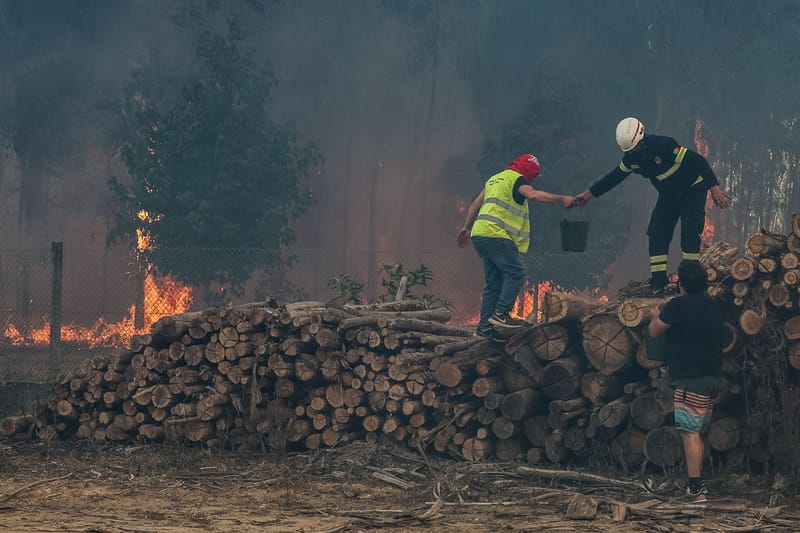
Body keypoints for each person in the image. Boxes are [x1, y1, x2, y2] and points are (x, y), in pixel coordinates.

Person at [571, 117, 731, 293]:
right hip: (669, 195)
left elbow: (698, 161)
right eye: (630, 151)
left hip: (692, 190)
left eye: (636, 148)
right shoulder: (631, 159)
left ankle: (689, 282)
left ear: (642, 139)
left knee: (689, 235)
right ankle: (658, 284)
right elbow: (614, 177)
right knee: (657, 234)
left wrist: (714, 188)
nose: (634, 153)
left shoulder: (664, 145)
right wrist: (588, 194)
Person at [456, 154, 574, 340]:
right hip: (497, 235)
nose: (532, 180)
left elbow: (475, 204)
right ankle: (501, 314)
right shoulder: (517, 179)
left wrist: (466, 228)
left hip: (480, 234)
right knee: (517, 273)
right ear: (528, 171)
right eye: (533, 176)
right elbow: (533, 195)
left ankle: (484, 329)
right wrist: (562, 199)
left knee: (493, 284)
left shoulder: (494, 179)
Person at [648, 259, 724, 500]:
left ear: (682, 283)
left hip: (690, 379)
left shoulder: (677, 306)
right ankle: (698, 480)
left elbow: (654, 331)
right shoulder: (712, 305)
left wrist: (655, 314)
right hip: (712, 377)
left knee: (689, 432)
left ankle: (696, 486)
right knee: (697, 431)